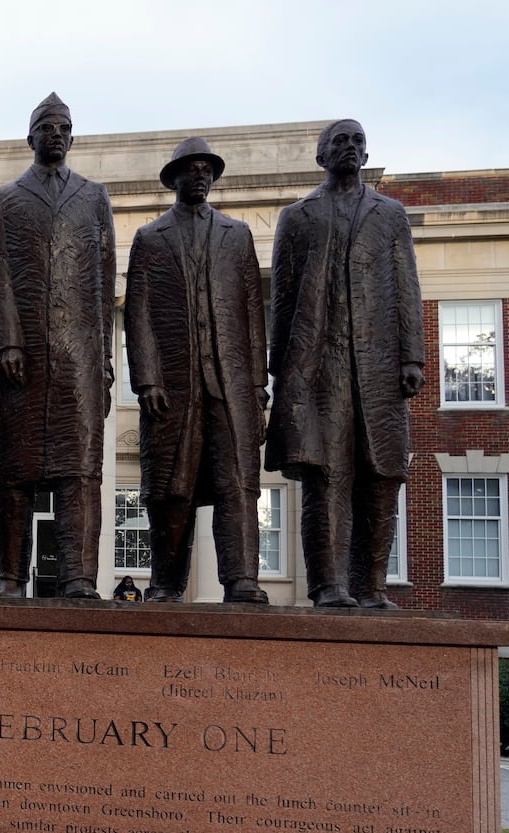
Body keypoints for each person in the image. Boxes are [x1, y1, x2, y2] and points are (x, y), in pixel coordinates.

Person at [266, 119, 425, 609]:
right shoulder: (298, 216)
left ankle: (371, 587)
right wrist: (280, 369)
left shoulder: (390, 214)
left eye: (357, 141)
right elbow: (283, 296)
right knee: (326, 476)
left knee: (381, 475)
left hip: (379, 368)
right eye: (340, 141)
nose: (350, 148)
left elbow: (406, 286)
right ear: (321, 156)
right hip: (320, 369)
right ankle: (329, 585)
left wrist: (412, 355)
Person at [126, 136, 270, 605]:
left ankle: (241, 579)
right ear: (175, 178)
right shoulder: (150, 238)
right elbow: (139, 312)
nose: (201, 175)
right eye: (192, 168)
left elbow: (252, 314)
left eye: (207, 168)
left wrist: (257, 388)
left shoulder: (237, 235)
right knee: (171, 489)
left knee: (238, 484)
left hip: (231, 388)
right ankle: (166, 583)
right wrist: (146, 378)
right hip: (172, 387)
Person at [0, 92, 116, 600]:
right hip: (26, 357)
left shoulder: (94, 195)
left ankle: (79, 577)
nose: (57, 134)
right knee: (14, 473)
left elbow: (105, 282)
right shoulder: (7, 198)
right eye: (47, 126)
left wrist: (104, 356)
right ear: (31, 136)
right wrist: (7, 343)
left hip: (78, 356)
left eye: (64, 127)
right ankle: (10, 578)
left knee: (80, 472)